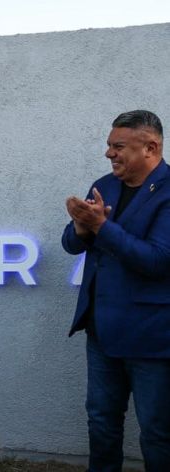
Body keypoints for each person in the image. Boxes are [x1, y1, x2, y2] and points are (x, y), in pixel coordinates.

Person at [63, 110, 170, 471]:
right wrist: (81, 227)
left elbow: (157, 260)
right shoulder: (104, 186)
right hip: (102, 331)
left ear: (150, 147)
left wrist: (101, 227)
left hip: (153, 337)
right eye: (109, 145)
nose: (109, 153)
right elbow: (71, 244)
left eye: (118, 146)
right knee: (102, 424)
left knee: (158, 433)